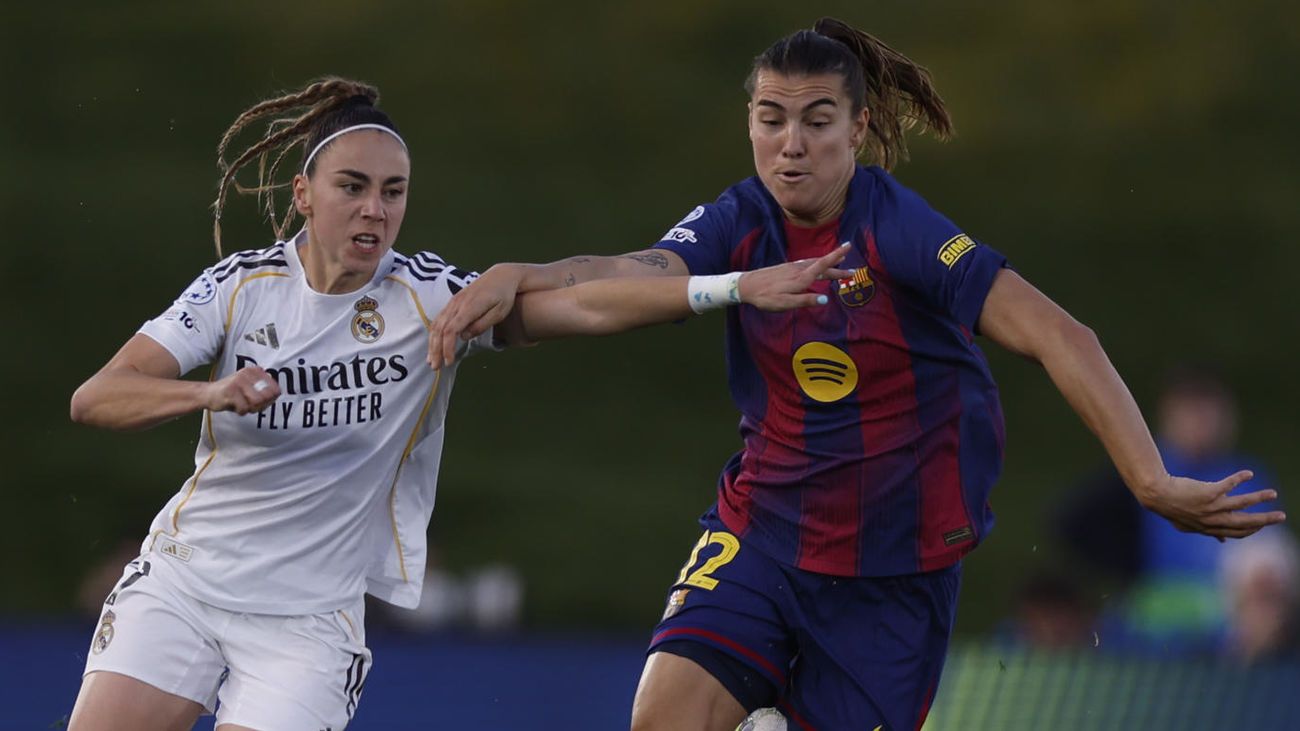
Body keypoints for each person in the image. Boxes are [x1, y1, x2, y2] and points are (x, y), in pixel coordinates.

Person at [427, 18, 1286, 731]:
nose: (789, 146)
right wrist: (524, 274)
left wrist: (1150, 478)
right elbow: (638, 268)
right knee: (661, 722)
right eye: (769, 118)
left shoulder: (902, 232)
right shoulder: (742, 216)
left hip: (893, 576)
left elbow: (1064, 335)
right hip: (763, 533)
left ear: (861, 129)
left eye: (816, 121)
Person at [65, 77, 847, 731]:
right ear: (304, 194)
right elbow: (97, 396)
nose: (375, 209)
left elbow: (584, 307)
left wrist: (731, 288)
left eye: (393, 191)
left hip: (306, 627)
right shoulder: (238, 287)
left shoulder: (429, 300)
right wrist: (211, 390)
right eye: (353, 187)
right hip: (184, 584)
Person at [1056, 365, 1282, 652]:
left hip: (1228, 625)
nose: (1201, 424)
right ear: (1168, 417)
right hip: (1151, 622)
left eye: (1208, 412)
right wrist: (1126, 574)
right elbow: (1071, 523)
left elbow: (1267, 558)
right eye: (1190, 413)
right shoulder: (1140, 473)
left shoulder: (1248, 476)